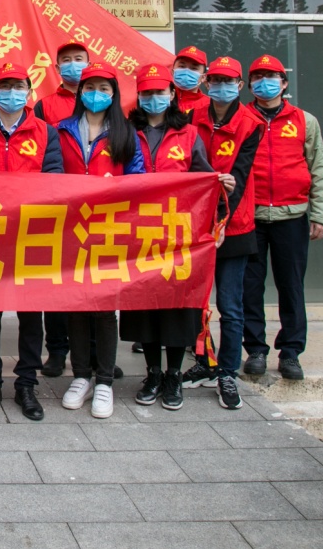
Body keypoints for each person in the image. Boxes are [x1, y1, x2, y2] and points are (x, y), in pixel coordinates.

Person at [123, 64, 225, 411]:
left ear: (171, 95)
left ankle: (173, 375)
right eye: (147, 92)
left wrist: (215, 218)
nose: (154, 98)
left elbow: (203, 181)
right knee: (145, 306)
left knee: (177, 307)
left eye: (160, 92)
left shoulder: (189, 134)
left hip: (179, 234)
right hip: (138, 234)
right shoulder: (127, 132)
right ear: (139, 96)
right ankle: (152, 373)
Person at [0, 63, 64, 422]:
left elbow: (54, 178)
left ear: (29, 90)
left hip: (30, 234)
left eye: (18, 86)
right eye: (5, 86)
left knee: (30, 312)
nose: (12, 92)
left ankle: (26, 383)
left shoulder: (45, 131)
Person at [56, 63, 145, 419]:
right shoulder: (62, 130)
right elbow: (50, 175)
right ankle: (81, 376)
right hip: (70, 229)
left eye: (104, 89)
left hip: (110, 230)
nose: (96, 94)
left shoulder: (126, 134)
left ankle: (104, 380)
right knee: (76, 304)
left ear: (114, 94)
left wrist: (117, 187)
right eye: (90, 87)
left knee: (106, 307)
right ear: (80, 91)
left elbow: (139, 179)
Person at [241, 54, 323, 381]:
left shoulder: (305, 120)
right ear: (249, 84)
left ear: (284, 83)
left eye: (271, 77)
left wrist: (320, 214)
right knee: (250, 287)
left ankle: (291, 351)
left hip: (292, 216)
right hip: (249, 217)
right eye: (258, 77)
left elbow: (319, 168)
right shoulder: (242, 118)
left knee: (291, 286)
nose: (264, 82)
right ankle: (256, 350)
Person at [189, 56, 263, 409]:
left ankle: (228, 372)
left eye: (228, 81)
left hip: (234, 224)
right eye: (215, 80)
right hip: (196, 224)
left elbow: (241, 176)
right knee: (196, 303)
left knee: (230, 305)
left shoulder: (251, 123)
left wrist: (220, 220)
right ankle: (205, 362)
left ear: (240, 85)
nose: (221, 86)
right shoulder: (192, 117)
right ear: (206, 83)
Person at [34, 40, 90, 377]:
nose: (73, 64)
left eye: (78, 59)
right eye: (66, 60)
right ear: (56, 67)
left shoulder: (108, 102)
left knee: (91, 283)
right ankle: (56, 351)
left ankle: (95, 353)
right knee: (54, 283)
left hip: (95, 207)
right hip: (56, 204)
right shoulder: (45, 105)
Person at [172, 45, 211, 117]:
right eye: (182, 66)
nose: (186, 71)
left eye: (194, 68)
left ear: (203, 77)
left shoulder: (209, 106)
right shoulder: (161, 98)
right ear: (173, 71)